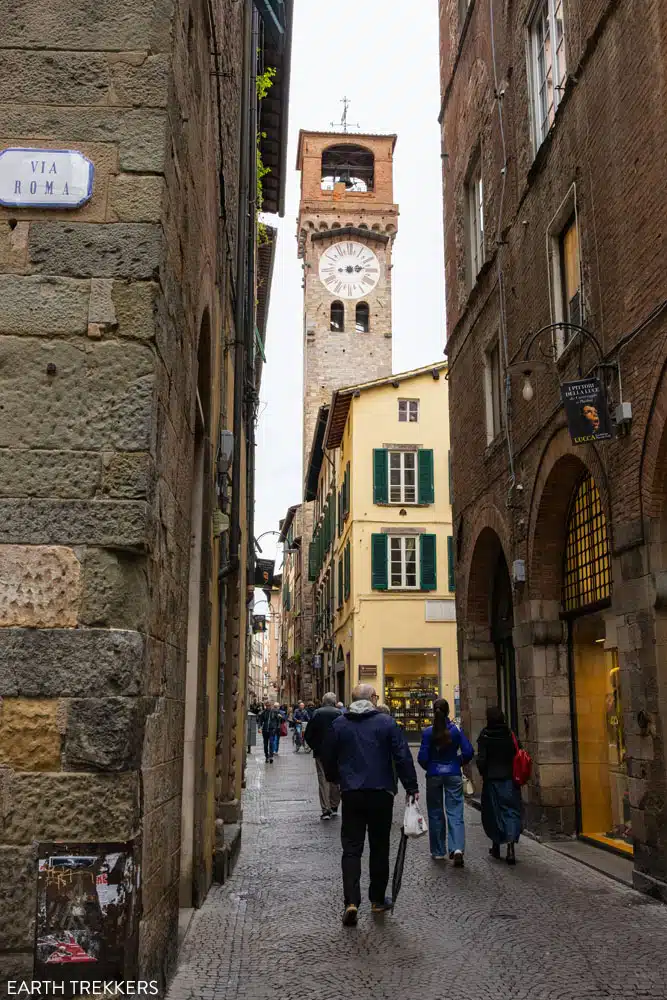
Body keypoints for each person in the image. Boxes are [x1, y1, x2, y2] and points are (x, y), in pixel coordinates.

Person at [321, 683, 419, 927]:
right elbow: (402, 755)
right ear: (373, 699)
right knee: (379, 846)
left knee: (352, 848)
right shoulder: (386, 723)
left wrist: (337, 779)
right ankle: (376, 898)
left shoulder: (340, 724)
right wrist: (411, 786)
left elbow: (327, 756)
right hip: (381, 792)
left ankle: (351, 901)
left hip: (352, 792)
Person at [417, 698, 474, 866]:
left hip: (434, 773)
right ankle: (457, 848)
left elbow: (422, 757)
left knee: (435, 812)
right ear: (448, 712)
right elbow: (468, 751)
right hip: (453, 772)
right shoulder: (455, 731)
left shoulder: (428, 732)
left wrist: (430, 766)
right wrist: (458, 761)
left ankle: (438, 851)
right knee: (455, 811)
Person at [477, 705, 522, 865]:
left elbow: (481, 759)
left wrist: (482, 772)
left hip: (492, 780)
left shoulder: (485, 735)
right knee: (510, 811)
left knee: (493, 813)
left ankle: (496, 846)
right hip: (509, 779)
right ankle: (510, 847)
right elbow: (519, 751)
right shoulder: (510, 734)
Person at [305, 692, 342, 820]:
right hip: (337, 752)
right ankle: (334, 806)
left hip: (321, 752)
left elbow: (308, 734)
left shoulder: (317, 713)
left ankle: (326, 809)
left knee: (323, 779)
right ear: (334, 701)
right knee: (336, 779)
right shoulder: (339, 714)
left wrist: (315, 746)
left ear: (323, 701)